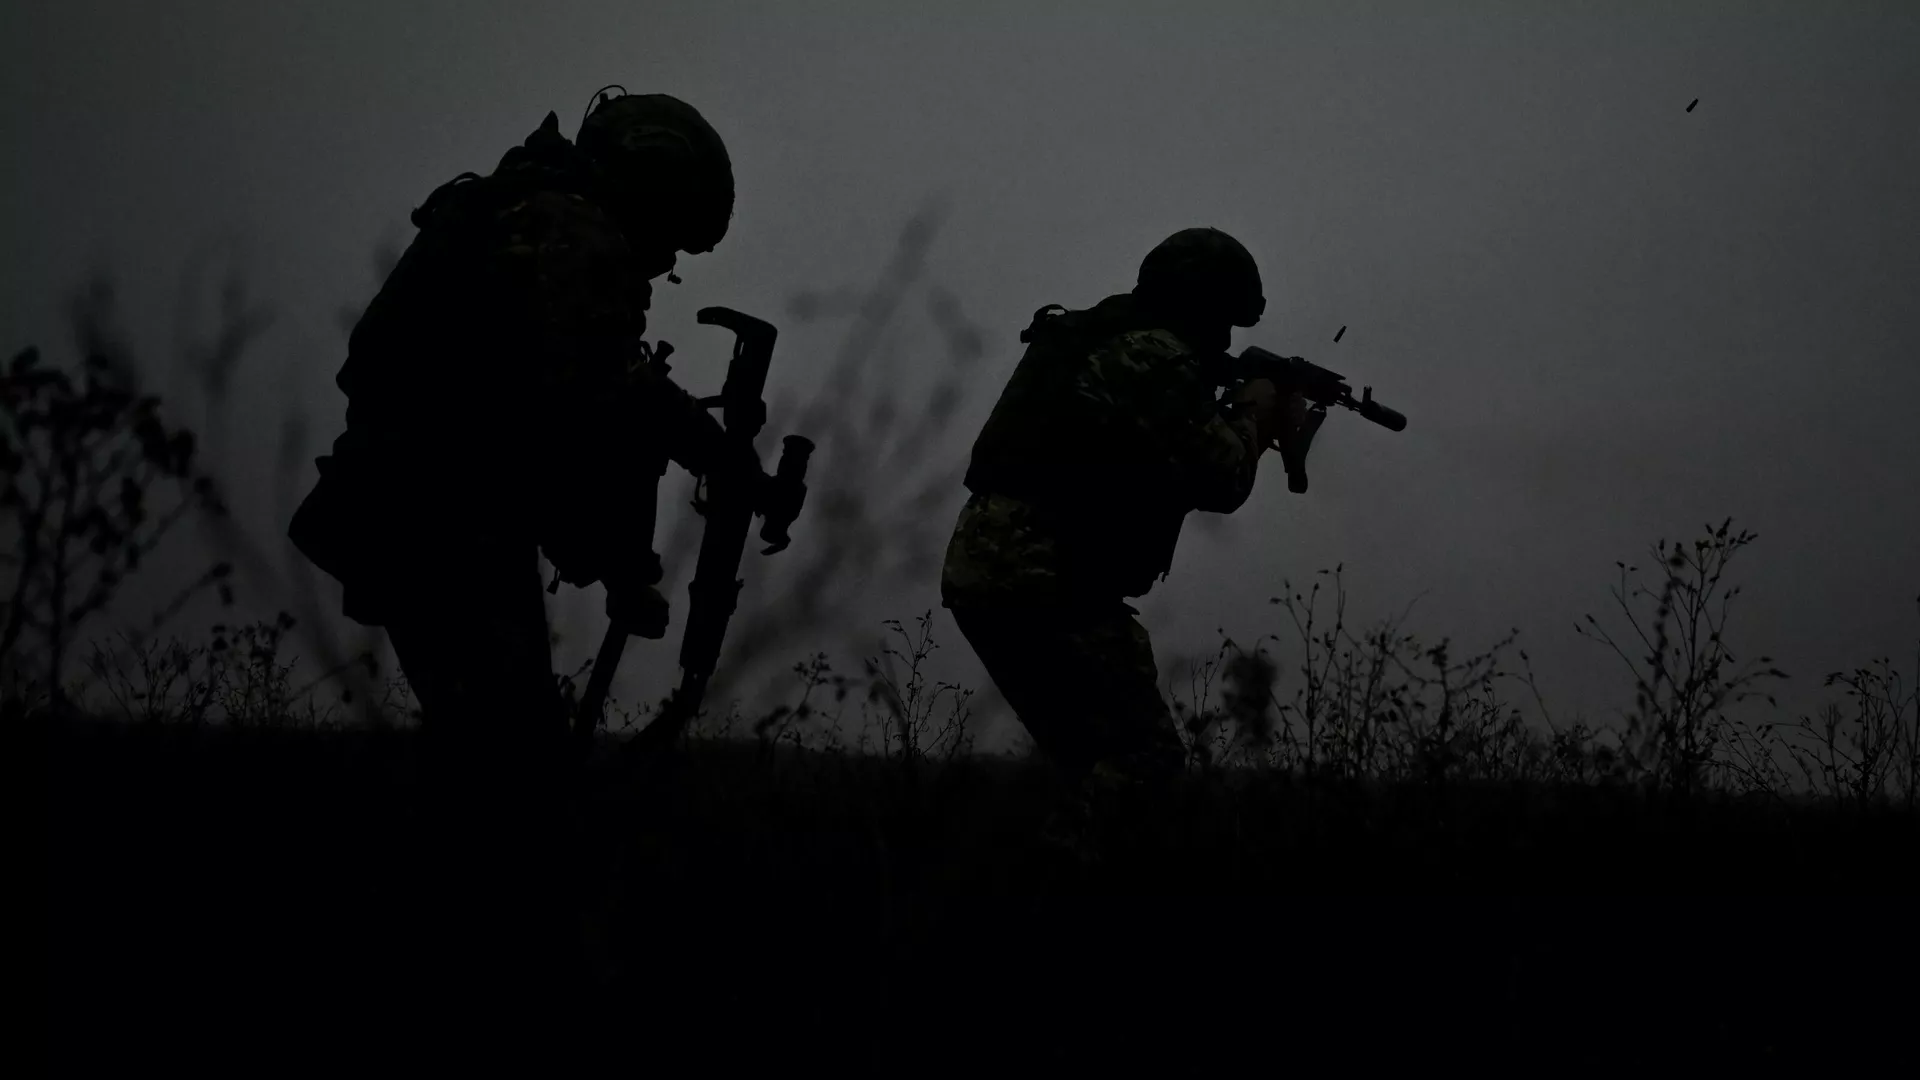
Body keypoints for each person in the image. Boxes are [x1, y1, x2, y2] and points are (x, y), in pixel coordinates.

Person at [285, 90, 757, 1026]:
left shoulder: (524, 213)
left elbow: (564, 403)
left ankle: (476, 962)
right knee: (511, 785)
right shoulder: (567, 231)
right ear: (652, 189)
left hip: (432, 517)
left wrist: (660, 492)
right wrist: (633, 537)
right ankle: (479, 983)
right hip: (438, 524)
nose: (663, 263)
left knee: (497, 770)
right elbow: (578, 404)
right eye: (670, 237)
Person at [940, 227, 1322, 857]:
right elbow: (1222, 478)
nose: (1225, 340)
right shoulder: (1151, 355)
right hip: (1046, 576)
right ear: (1199, 304)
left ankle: (1028, 880)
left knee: (1092, 762)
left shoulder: (1104, 336)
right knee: (1145, 764)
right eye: (1222, 321)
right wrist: (1254, 411)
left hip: (1001, 570)